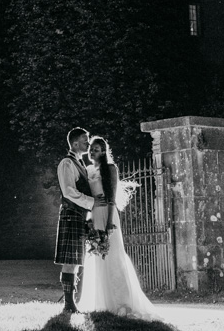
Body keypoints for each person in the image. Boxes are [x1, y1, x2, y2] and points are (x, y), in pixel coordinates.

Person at [79, 136, 159, 319]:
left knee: (113, 255)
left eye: (97, 149)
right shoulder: (88, 169)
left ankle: (122, 302)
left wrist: (108, 224)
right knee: (97, 256)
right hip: (94, 214)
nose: (93, 152)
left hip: (108, 213)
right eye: (91, 148)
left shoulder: (110, 169)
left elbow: (111, 197)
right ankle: (99, 302)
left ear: (104, 152)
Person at [55, 127, 94, 313]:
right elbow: (69, 192)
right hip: (71, 215)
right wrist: (92, 203)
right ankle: (68, 304)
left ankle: (71, 303)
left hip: (79, 215)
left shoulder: (81, 163)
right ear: (75, 143)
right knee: (70, 261)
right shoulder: (66, 163)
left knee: (76, 260)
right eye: (85, 140)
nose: (89, 142)